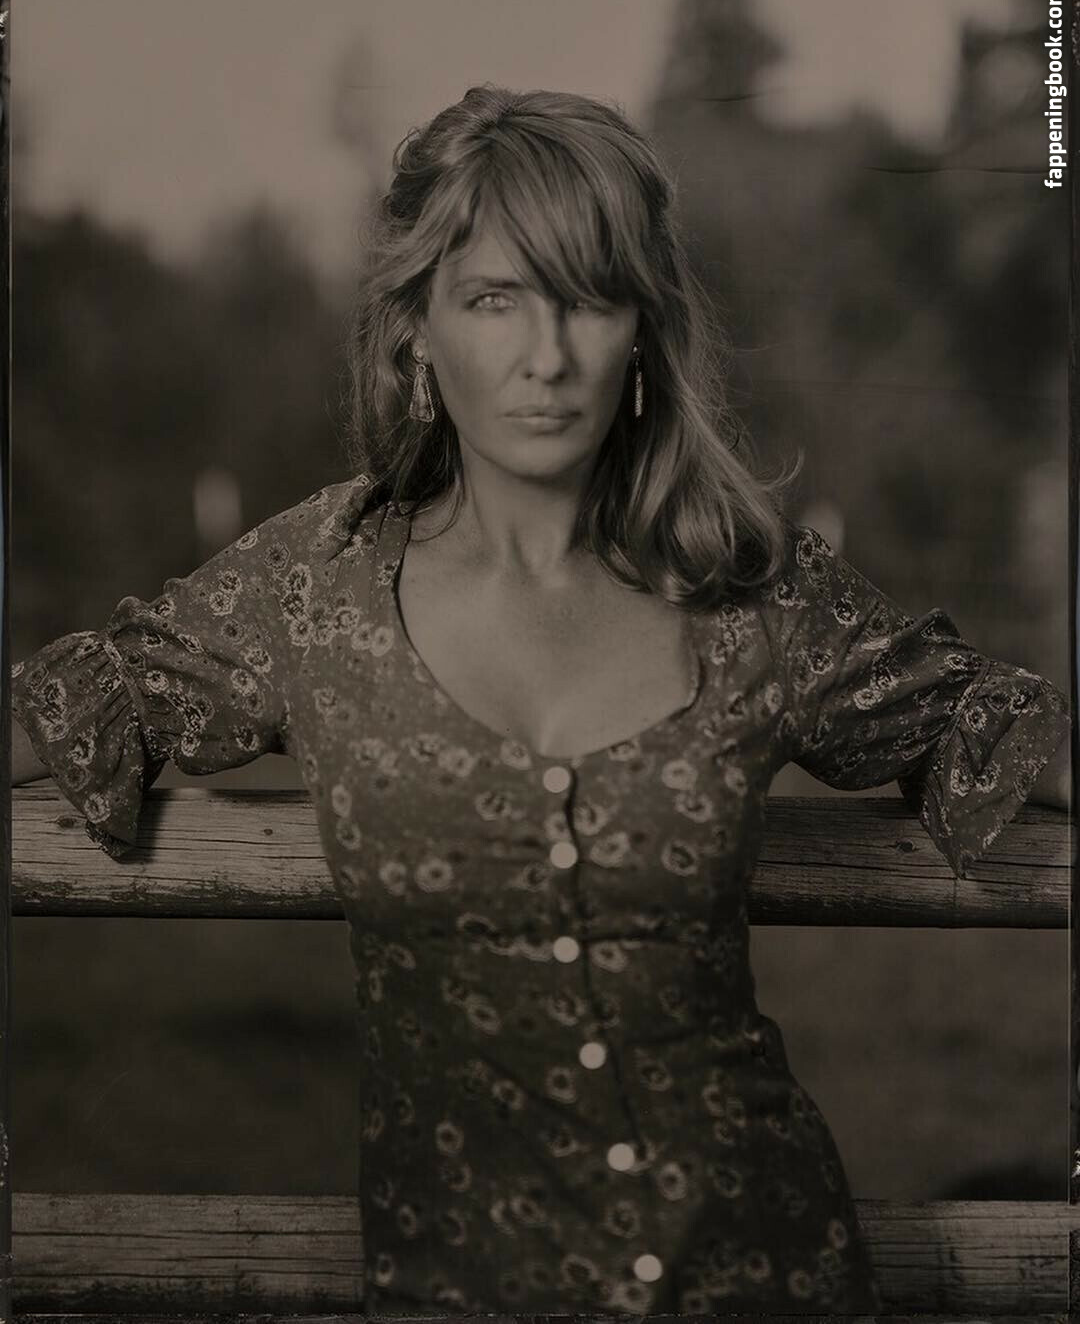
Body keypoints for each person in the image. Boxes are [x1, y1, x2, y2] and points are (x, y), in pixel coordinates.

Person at [12, 85, 1071, 1317]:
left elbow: (987, 723)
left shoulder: (750, 589)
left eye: (589, 297)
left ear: (643, 331)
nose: (548, 356)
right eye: (494, 299)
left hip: (765, 1274)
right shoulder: (311, 587)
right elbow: (83, 703)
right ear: (417, 329)